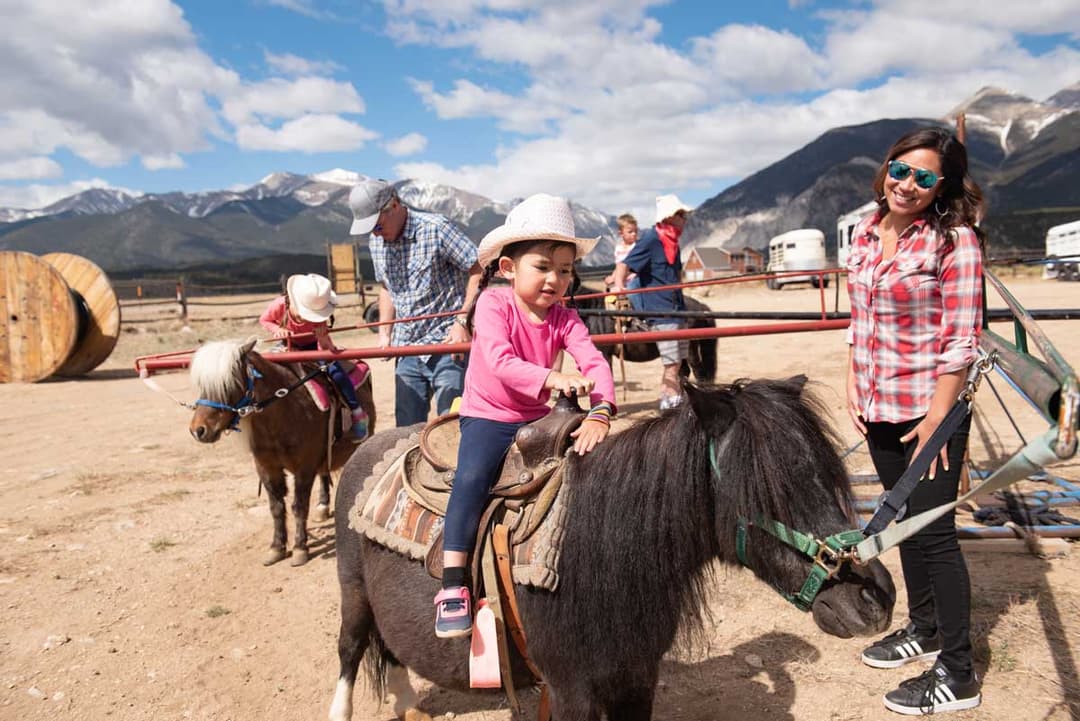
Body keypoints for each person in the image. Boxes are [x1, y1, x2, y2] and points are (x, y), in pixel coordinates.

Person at [846, 127, 984, 715]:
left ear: (941, 186)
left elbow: (962, 340)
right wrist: (852, 379)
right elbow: (859, 317)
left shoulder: (955, 241)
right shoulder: (864, 230)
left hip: (930, 409)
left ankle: (958, 672)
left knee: (935, 533)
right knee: (902, 521)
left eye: (923, 177)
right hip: (878, 405)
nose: (907, 184)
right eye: (900, 169)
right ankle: (923, 628)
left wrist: (938, 418)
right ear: (887, 169)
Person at [433, 193, 617, 638]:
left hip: (538, 418)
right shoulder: (493, 305)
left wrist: (601, 412)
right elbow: (499, 361)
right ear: (508, 268)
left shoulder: (566, 319)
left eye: (565, 270)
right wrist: (553, 379)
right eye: (543, 266)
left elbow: (594, 362)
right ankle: (453, 580)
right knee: (472, 478)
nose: (555, 279)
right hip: (489, 415)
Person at [349, 179, 483, 427]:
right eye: (370, 229)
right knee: (406, 430)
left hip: (448, 346)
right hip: (406, 349)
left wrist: (462, 321)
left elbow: (479, 269)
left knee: (452, 425)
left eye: (377, 225)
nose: (375, 233)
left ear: (394, 205)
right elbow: (386, 287)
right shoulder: (376, 242)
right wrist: (384, 332)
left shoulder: (436, 229)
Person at [258, 273, 368, 439]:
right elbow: (265, 320)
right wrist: (277, 330)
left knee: (335, 371)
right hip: (287, 345)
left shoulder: (319, 314)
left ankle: (357, 411)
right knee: (269, 372)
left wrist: (322, 339)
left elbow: (323, 345)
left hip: (314, 345)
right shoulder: (280, 305)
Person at [611, 194, 692, 410]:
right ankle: (669, 403)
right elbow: (624, 264)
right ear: (668, 217)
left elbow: (676, 274)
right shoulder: (651, 239)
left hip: (678, 308)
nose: (684, 219)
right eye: (680, 215)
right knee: (672, 364)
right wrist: (619, 287)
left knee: (679, 362)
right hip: (661, 310)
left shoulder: (673, 242)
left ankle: (674, 400)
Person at [604, 213, 642, 310]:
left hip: (633, 278)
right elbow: (618, 266)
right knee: (609, 294)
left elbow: (631, 268)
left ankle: (639, 312)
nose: (634, 234)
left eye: (635, 231)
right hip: (620, 279)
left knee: (632, 292)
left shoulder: (636, 247)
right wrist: (612, 276)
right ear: (621, 233)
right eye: (630, 232)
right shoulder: (619, 248)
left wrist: (618, 278)